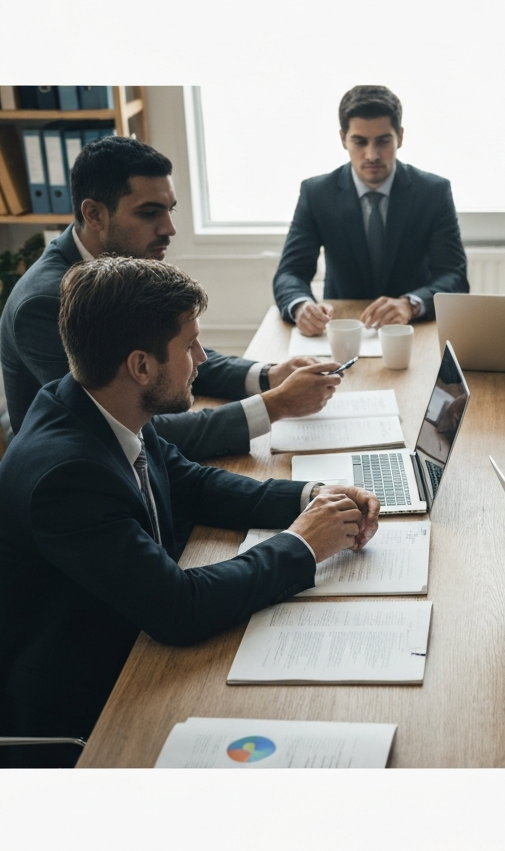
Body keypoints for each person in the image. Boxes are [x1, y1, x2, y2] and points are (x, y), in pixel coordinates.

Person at [0, 257, 380, 767]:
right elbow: (178, 609)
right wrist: (304, 544)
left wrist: (312, 495)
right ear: (141, 365)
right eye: (189, 345)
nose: (202, 358)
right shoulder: (66, 477)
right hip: (88, 709)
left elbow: (193, 484)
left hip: (134, 648)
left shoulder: (102, 404)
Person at [0, 136, 340, 462]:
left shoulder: (117, 270)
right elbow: (134, 432)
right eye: (150, 213)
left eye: (169, 210)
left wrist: (269, 375)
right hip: (81, 485)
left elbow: (175, 354)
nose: (170, 229)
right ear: (94, 215)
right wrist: (274, 405)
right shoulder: (47, 302)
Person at [273, 84, 470, 337]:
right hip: (343, 331)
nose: (372, 154)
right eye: (360, 141)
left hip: (412, 331)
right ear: (343, 138)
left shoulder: (433, 192)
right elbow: (290, 272)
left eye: (383, 141)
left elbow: (454, 276)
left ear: (400, 136)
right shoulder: (317, 194)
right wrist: (301, 305)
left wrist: (411, 304)